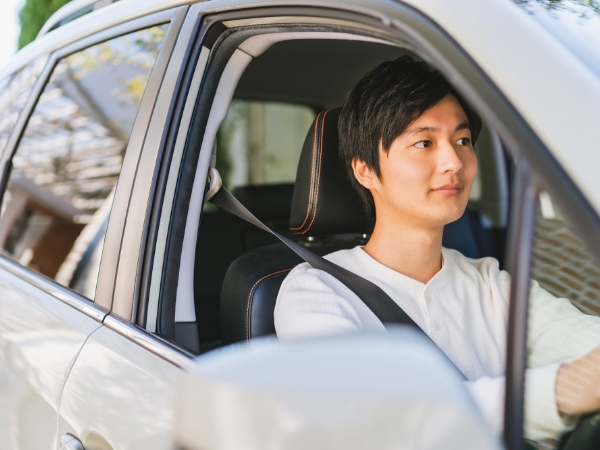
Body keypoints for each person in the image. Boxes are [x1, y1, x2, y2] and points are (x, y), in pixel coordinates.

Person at [274, 55, 600, 441]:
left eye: (462, 140)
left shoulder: (490, 284)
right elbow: (373, 415)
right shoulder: (316, 291)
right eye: (424, 142)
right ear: (365, 170)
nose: (453, 161)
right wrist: (562, 389)